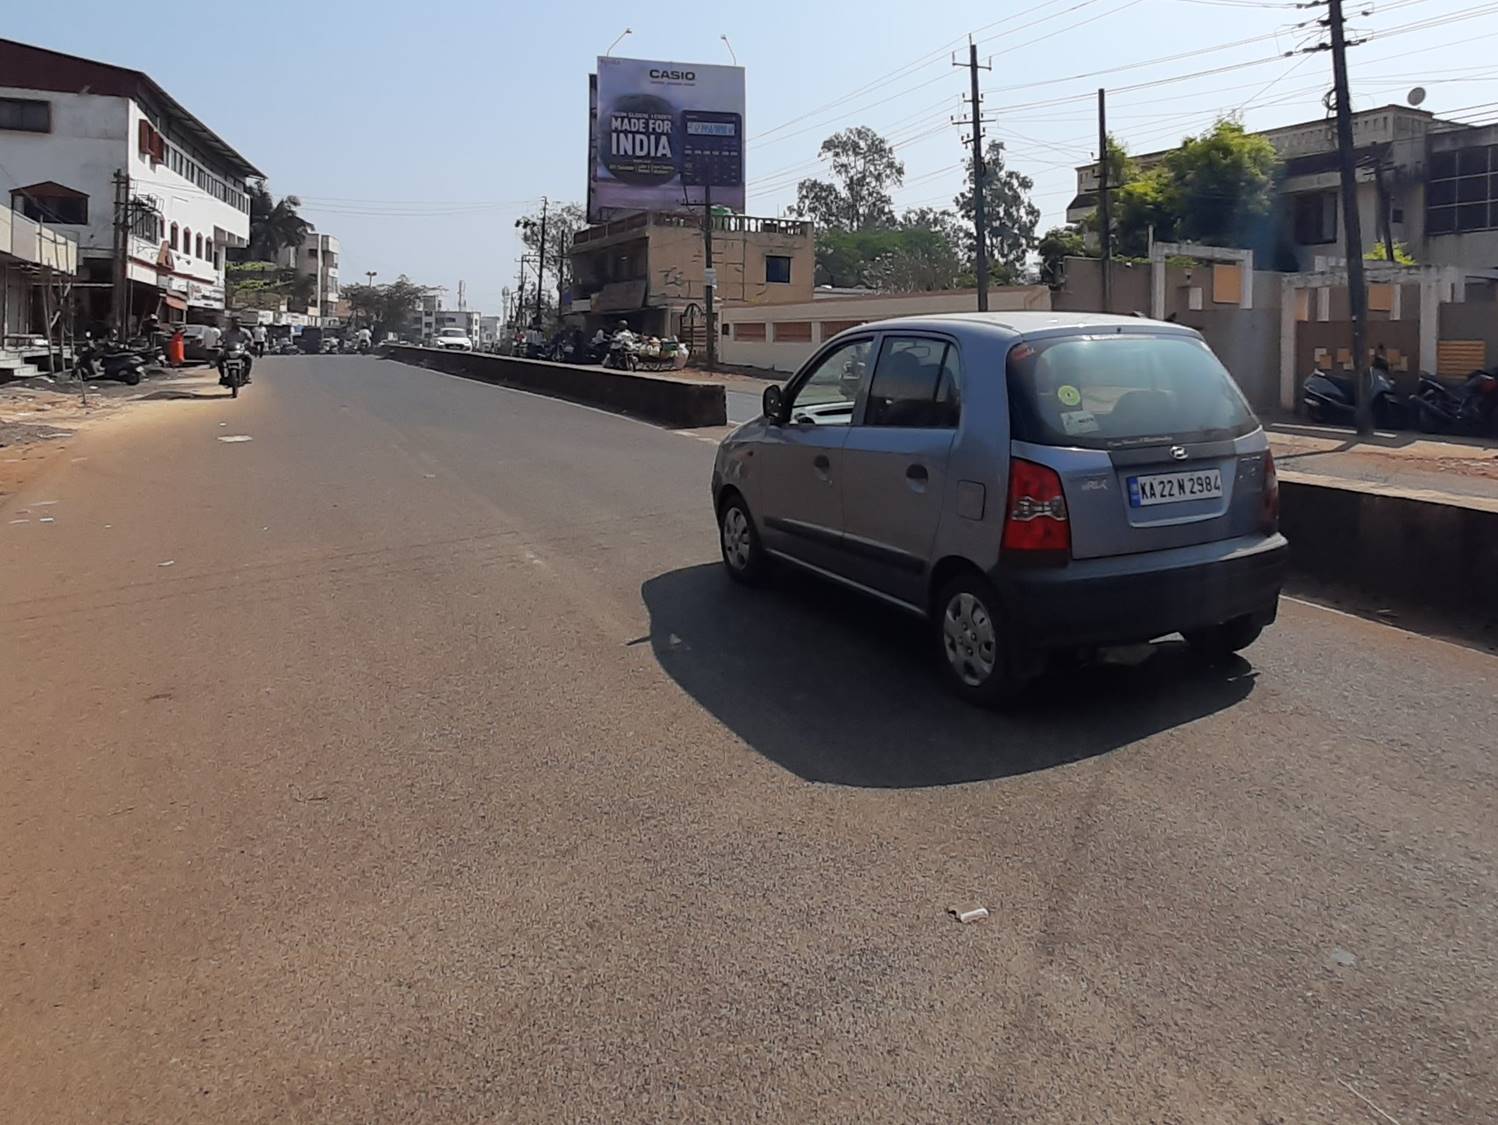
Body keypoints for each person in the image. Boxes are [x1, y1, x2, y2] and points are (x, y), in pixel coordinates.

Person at [218, 317, 255, 385]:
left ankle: (246, 376)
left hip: (241, 350)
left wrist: (250, 344)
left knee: (249, 358)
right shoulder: (226, 332)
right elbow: (220, 340)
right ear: (232, 323)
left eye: (239, 322)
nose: (237, 324)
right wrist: (220, 345)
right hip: (228, 351)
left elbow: (251, 339)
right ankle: (223, 377)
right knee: (219, 358)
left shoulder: (245, 332)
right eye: (235, 322)